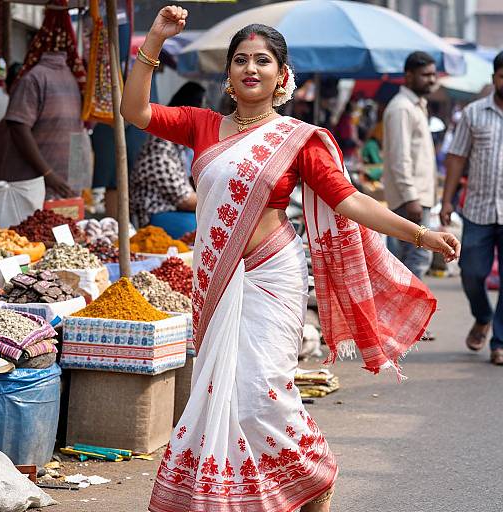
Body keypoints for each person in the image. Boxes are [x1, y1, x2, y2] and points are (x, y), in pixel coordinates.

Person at [121, 6, 460, 511]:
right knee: (222, 395)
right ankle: (231, 497)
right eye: (240, 60)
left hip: (273, 275)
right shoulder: (203, 127)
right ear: (230, 75)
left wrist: (420, 234)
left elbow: (349, 201)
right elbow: (136, 112)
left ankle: (314, 476)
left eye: (262, 60)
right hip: (217, 274)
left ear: (282, 76)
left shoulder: (297, 140)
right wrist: (154, 40)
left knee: (262, 395)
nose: (250, 68)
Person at [440, 51, 503, 366]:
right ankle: (482, 315)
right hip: (477, 209)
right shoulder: (474, 113)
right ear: (494, 78)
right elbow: (457, 157)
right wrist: (447, 200)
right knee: (471, 272)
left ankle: (500, 341)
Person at [1, 0, 89, 200]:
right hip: (34, 187)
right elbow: (18, 127)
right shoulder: (36, 77)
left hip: (61, 188)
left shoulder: (72, 78)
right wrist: (49, 175)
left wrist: (74, 185)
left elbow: (77, 131)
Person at [382, 51, 438, 281]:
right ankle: (401, 313)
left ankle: (400, 314)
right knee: (415, 259)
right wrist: (411, 197)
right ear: (408, 76)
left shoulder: (415, 106)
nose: (432, 80)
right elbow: (399, 157)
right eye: (425, 75)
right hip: (411, 199)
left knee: (411, 259)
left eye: (433, 74)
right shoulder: (402, 108)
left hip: (419, 196)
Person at [129, 82, 202, 230]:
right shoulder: (160, 146)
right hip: (154, 216)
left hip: (172, 211)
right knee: (203, 226)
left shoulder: (177, 145)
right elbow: (184, 200)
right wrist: (216, 201)